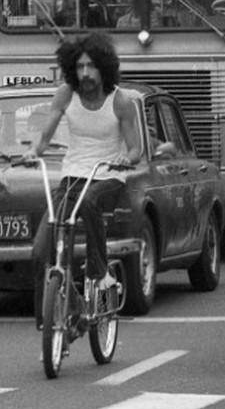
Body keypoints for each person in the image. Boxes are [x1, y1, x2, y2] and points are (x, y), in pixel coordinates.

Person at [22, 32, 142, 331]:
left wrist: (128, 159)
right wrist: (33, 150)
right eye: (79, 67)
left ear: (104, 68)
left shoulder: (121, 102)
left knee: (90, 202)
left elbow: (136, 148)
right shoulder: (66, 95)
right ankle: (57, 319)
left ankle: (99, 274)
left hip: (108, 178)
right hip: (73, 178)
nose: (85, 73)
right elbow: (46, 135)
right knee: (42, 250)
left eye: (91, 66)